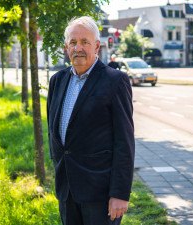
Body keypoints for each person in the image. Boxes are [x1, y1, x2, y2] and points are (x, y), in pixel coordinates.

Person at [47, 16, 135, 225]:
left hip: (101, 194)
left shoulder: (115, 81)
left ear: (97, 46)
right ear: (66, 47)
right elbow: (53, 131)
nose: (78, 48)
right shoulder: (57, 81)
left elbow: (124, 143)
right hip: (67, 191)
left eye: (85, 42)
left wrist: (120, 194)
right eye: (73, 42)